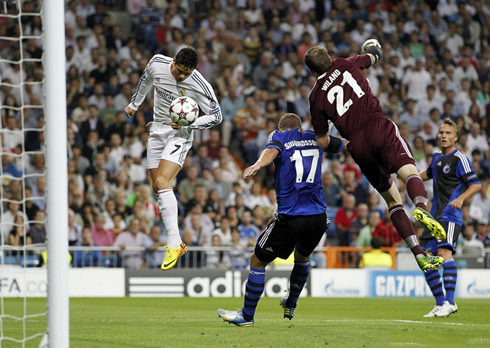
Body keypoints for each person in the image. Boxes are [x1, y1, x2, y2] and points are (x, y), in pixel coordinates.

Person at [304, 43, 444, 272]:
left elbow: (322, 141)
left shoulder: (315, 97)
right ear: (329, 57)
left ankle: (419, 254)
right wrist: (372, 47)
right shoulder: (345, 63)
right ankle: (421, 207)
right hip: (377, 126)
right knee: (409, 172)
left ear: (311, 72)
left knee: (392, 201)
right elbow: (374, 56)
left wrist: (346, 145)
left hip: (358, 146)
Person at [218, 113, 344, 327]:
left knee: (257, 260)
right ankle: (291, 303)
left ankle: (247, 316)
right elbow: (343, 146)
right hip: (319, 217)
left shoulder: (281, 136)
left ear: (282, 128)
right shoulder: (317, 137)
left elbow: (271, 151)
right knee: (303, 257)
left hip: (291, 215)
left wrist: (258, 165)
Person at [124, 47, 222, 270]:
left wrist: (191, 123)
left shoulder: (200, 84)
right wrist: (134, 104)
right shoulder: (158, 62)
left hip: (180, 133)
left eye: (186, 74)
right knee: (156, 186)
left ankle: (174, 241)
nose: (181, 77)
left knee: (161, 182)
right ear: (174, 61)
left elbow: (217, 116)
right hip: (156, 131)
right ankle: (174, 238)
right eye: (179, 71)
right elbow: (145, 79)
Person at [419, 119, 481, 318]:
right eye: (440, 132)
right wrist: (403, 175)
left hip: (450, 215)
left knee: (444, 253)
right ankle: (439, 304)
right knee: (426, 259)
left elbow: (476, 184)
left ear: (455, 137)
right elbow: (425, 175)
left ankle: (450, 302)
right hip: (434, 216)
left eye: (447, 132)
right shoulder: (436, 158)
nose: (443, 135)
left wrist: (462, 199)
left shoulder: (460, 158)